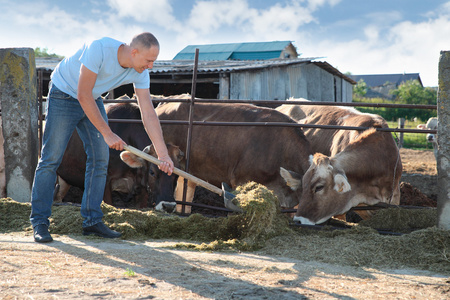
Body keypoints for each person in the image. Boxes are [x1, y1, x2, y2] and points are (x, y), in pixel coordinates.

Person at [30, 32, 174, 243]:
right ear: (134, 52)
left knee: (99, 159)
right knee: (51, 158)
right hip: (65, 94)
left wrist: (163, 155)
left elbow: (148, 113)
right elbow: (82, 95)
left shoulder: (140, 71)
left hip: (92, 97)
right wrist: (107, 133)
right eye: (148, 60)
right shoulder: (99, 49)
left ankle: (91, 221)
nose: (151, 66)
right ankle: (40, 222)